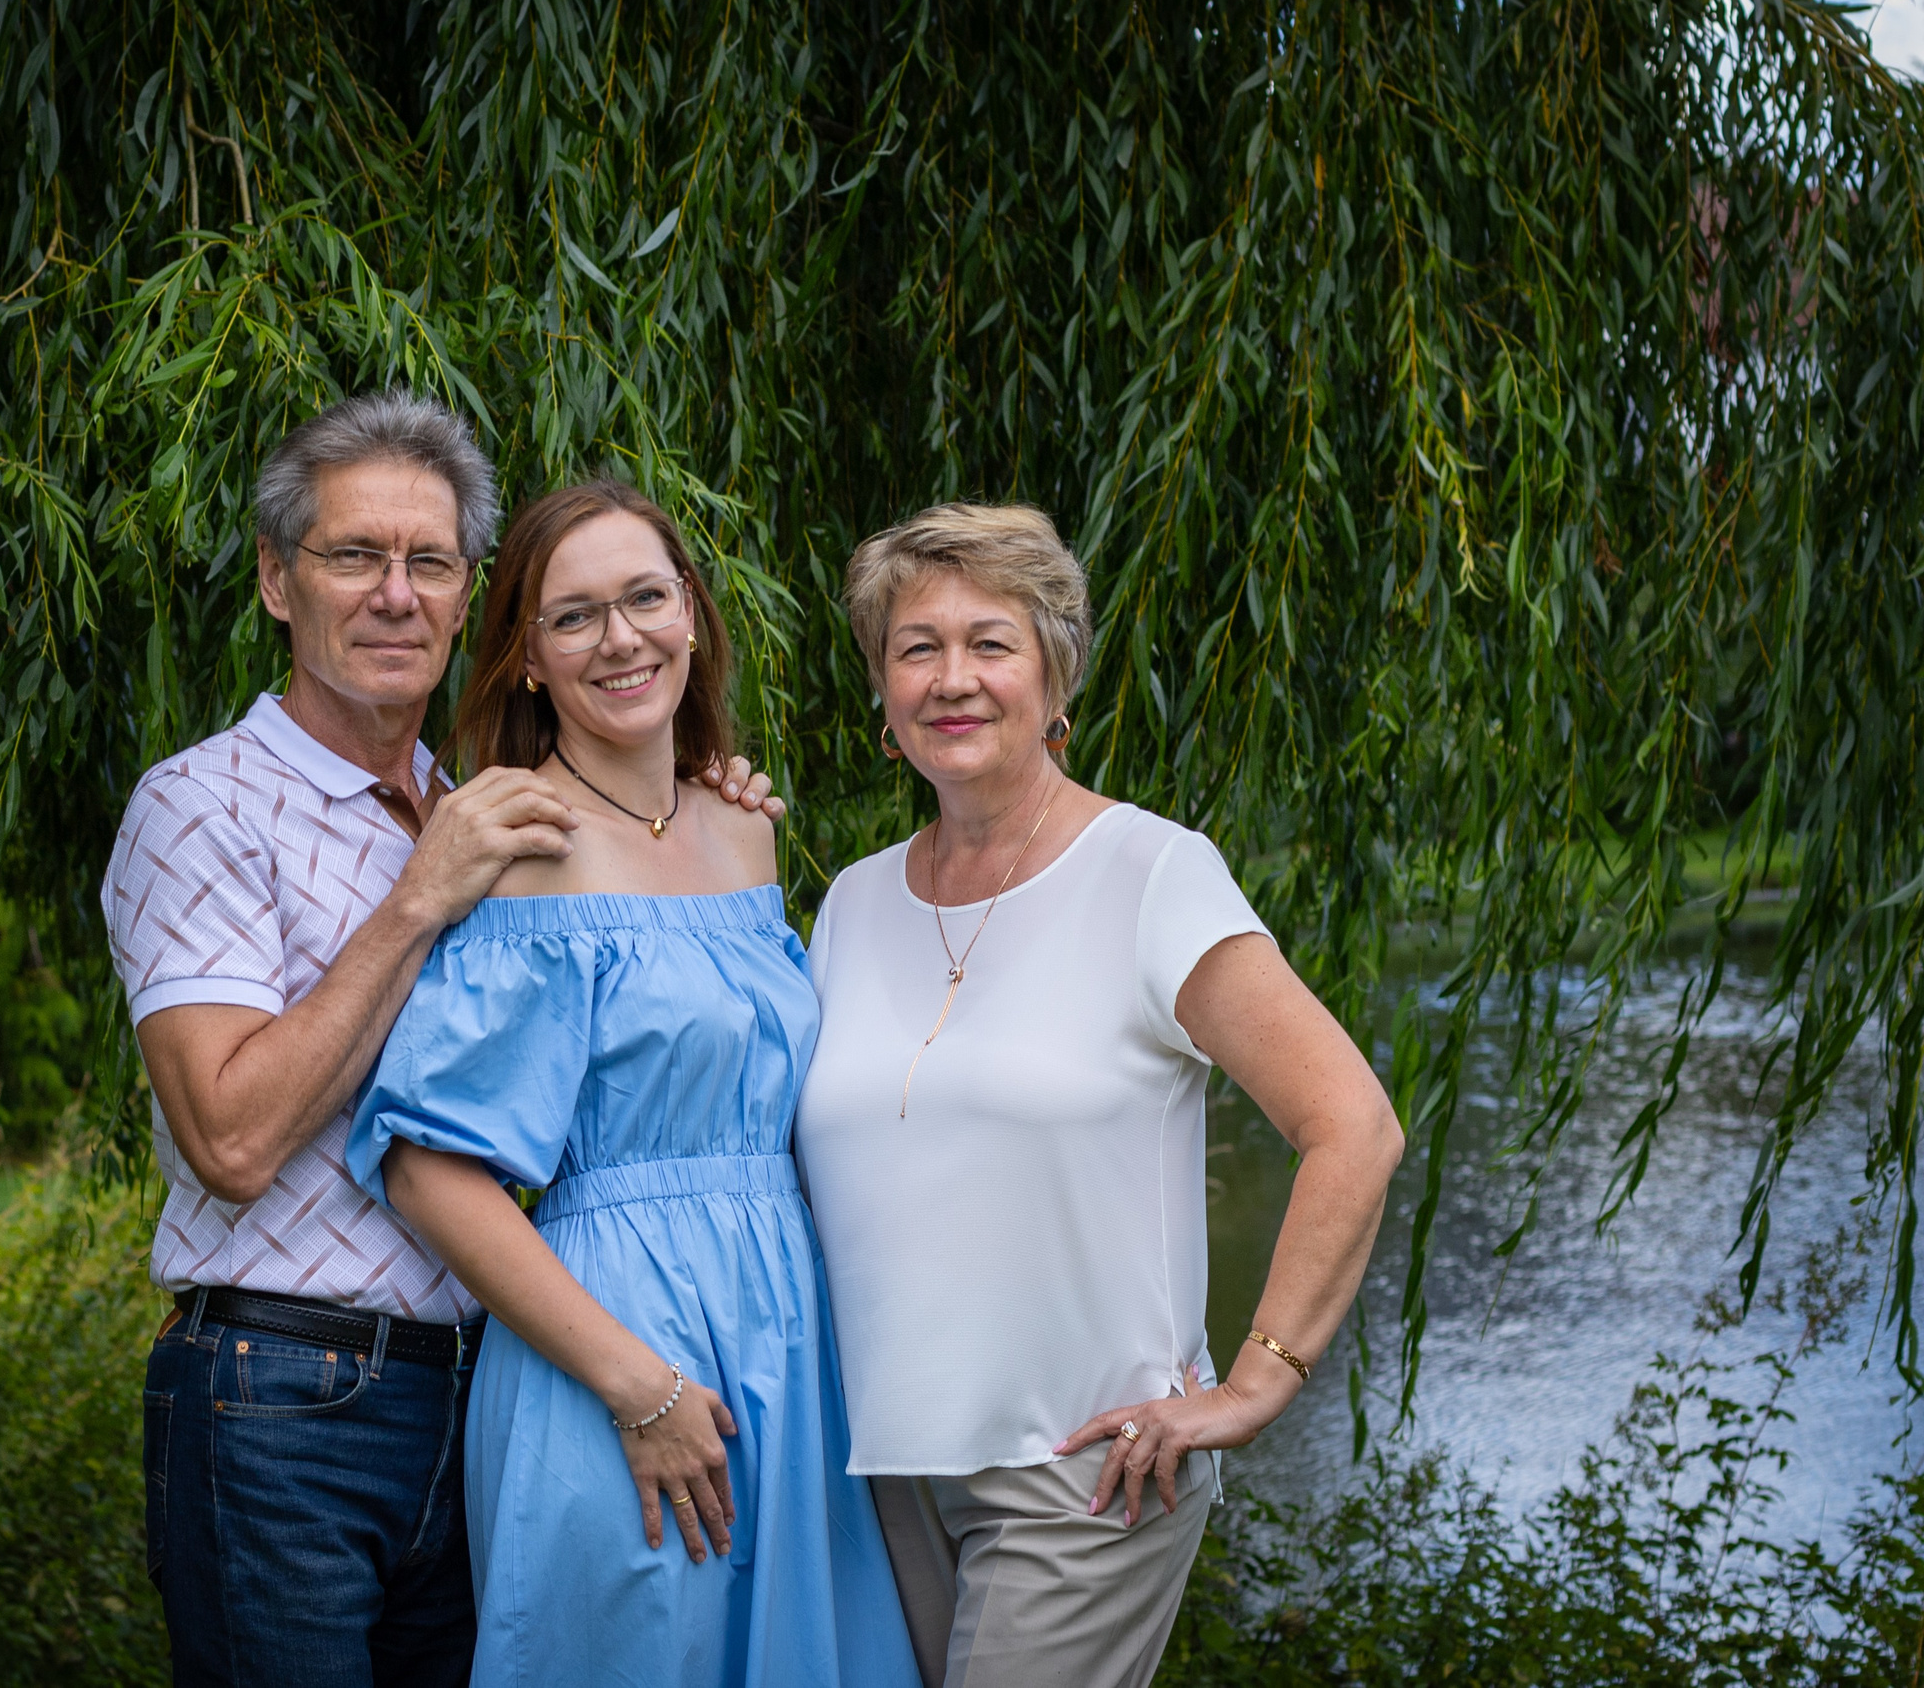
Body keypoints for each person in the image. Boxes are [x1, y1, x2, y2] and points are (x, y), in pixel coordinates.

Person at [102, 396, 782, 1688]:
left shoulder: (484, 814)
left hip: (482, 1394)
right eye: (354, 555)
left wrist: (699, 816)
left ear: (471, 597)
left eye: (430, 561)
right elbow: (230, 1138)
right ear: (277, 580)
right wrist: (418, 896)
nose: (395, 593)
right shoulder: (202, 807)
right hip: (279, 1392)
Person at [794, 504, 1408, 1688]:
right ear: (880, 689)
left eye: (990, 643)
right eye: (916, 648)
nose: (951, 678)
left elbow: (1352, 1126)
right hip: (879, 1469)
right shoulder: (853, 904)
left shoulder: (1150, 874)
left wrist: (1255, 1383)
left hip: (1082, 1475)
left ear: (1054, 674)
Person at [344, 479, 919, 1688]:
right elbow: (428, 1170)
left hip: (784, 1340)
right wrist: (636, 1386)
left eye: (646, 598)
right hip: (614, 1347)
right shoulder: (526, 851)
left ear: (692, 615)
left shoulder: (744, 828)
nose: (621, 639)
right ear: (527, 660)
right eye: (574, 617)